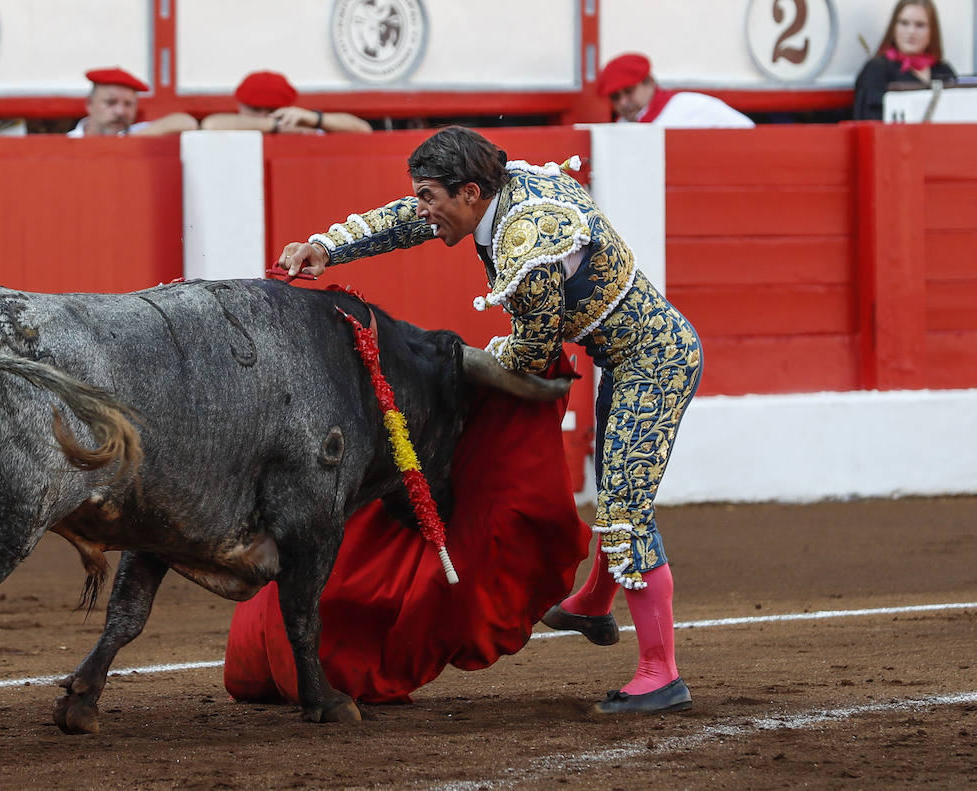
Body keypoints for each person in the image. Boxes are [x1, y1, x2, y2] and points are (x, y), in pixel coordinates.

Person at [280, 126, 703, 715]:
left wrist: (457, 362)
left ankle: (661, 674)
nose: (425, 210)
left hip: (655, 363)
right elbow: (409, 218)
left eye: (432, 196)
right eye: (423, 194)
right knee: (619, 492)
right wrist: (328, 248)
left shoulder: (528, 241)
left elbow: (532, 352)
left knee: (625, 510)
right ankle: (593, 604)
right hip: (627, 358)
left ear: (471, 192)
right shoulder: (500, 195)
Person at [853, 0, 958, 121]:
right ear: (893, 27)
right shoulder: (876, 69)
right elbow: (868, 122)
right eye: (904, 23)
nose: (911, 31)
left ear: (932, 31)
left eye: (920, 25)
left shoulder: (943, 69)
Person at [597, 53, 754, 128]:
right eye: (615, 97)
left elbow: (747, 130)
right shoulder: (621, 126)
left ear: (649, 82)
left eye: (629, 91)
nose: (623, 102)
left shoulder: (692, 106)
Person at [200, 71, 371, 134]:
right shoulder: (233, 126)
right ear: (240, 105)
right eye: (255, 108)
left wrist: (313, 118)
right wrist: (274, 125)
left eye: (271, 109)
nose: (263, 115)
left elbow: (363, 129)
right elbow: (210, 125)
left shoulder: (300, 125)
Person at [67, 67, 197, 137]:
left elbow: (186, 123)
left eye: (128, 104)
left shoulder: (138, 133)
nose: (120, 111)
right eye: (110, 102)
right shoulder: (66, 142)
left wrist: (128, 141)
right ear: (90, 104)